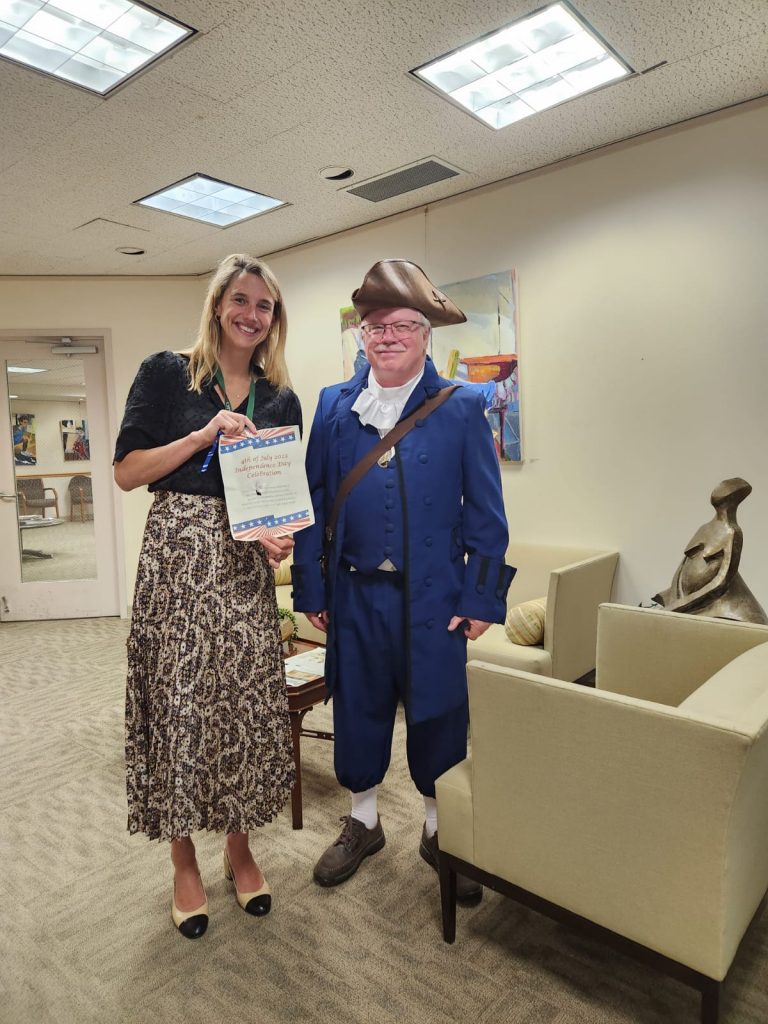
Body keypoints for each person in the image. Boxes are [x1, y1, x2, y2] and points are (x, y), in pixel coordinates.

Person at [291, 259, 514, 904]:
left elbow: (488, 516)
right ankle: (363, 821)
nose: (386, 335)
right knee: (357, 703)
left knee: (439, 709)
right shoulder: (334, 406)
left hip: (435, 598)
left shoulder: (464, 406)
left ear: (425, 335)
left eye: (402, 325)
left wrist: (481, 599)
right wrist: (313, 590)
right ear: (362, 336)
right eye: (374, 326)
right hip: (354, 595)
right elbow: (312, 503)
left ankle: (441, 829)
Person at [114, 253, 301, 939]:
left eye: (266, 306)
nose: (252, 315)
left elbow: (274, 500)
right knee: (178, 703)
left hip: (242, 569)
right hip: (177, 560)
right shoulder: (168, 374)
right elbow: (128, 473)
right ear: (219, 302)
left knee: (242, 706)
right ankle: (184, 861)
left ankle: (239, 847)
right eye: (242, 300)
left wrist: (275, 539)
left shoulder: (279, 398)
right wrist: (202, 435)